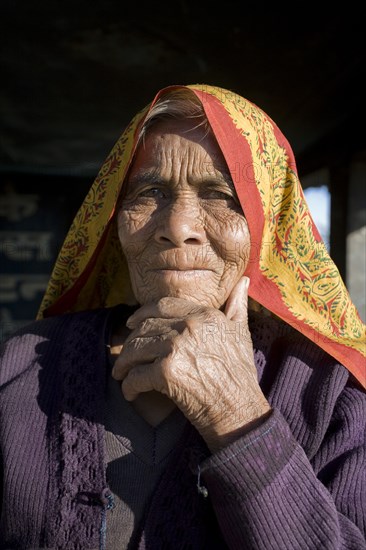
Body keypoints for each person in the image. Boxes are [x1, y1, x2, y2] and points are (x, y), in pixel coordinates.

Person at [0, 84, 365, 550]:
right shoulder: (19, 367)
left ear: (270, 224)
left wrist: (237, 414)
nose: (178, 228)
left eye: (220, 195)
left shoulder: (332, 395)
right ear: (114, 220)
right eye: (150, 192)